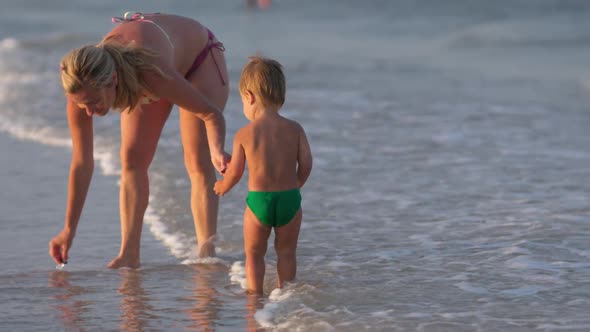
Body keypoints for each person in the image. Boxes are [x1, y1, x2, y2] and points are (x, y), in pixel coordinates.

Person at [49, 12, 230, 269]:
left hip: (198, 61)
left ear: (112, 81)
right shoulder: (79, 89)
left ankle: (206, 253)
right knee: (132, 161)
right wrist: (68, 230)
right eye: (83, 105)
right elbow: (81, 163)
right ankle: (129, 254)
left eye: (93, 103)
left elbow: (211, 114)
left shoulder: (150, 73)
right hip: (156, 67)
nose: (88, 111)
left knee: (197, 162)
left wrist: (217, 149)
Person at [213, 56, 312, 294]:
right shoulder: (295, 129)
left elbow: (235, 172)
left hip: (259, 203)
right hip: (289, 200)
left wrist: (222, 186)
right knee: (286, 253)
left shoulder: (245, 134)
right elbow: (307, 163)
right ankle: (286, 295)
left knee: (254, 255)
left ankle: (254, 300)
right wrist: (296, 184)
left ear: (249, 96)